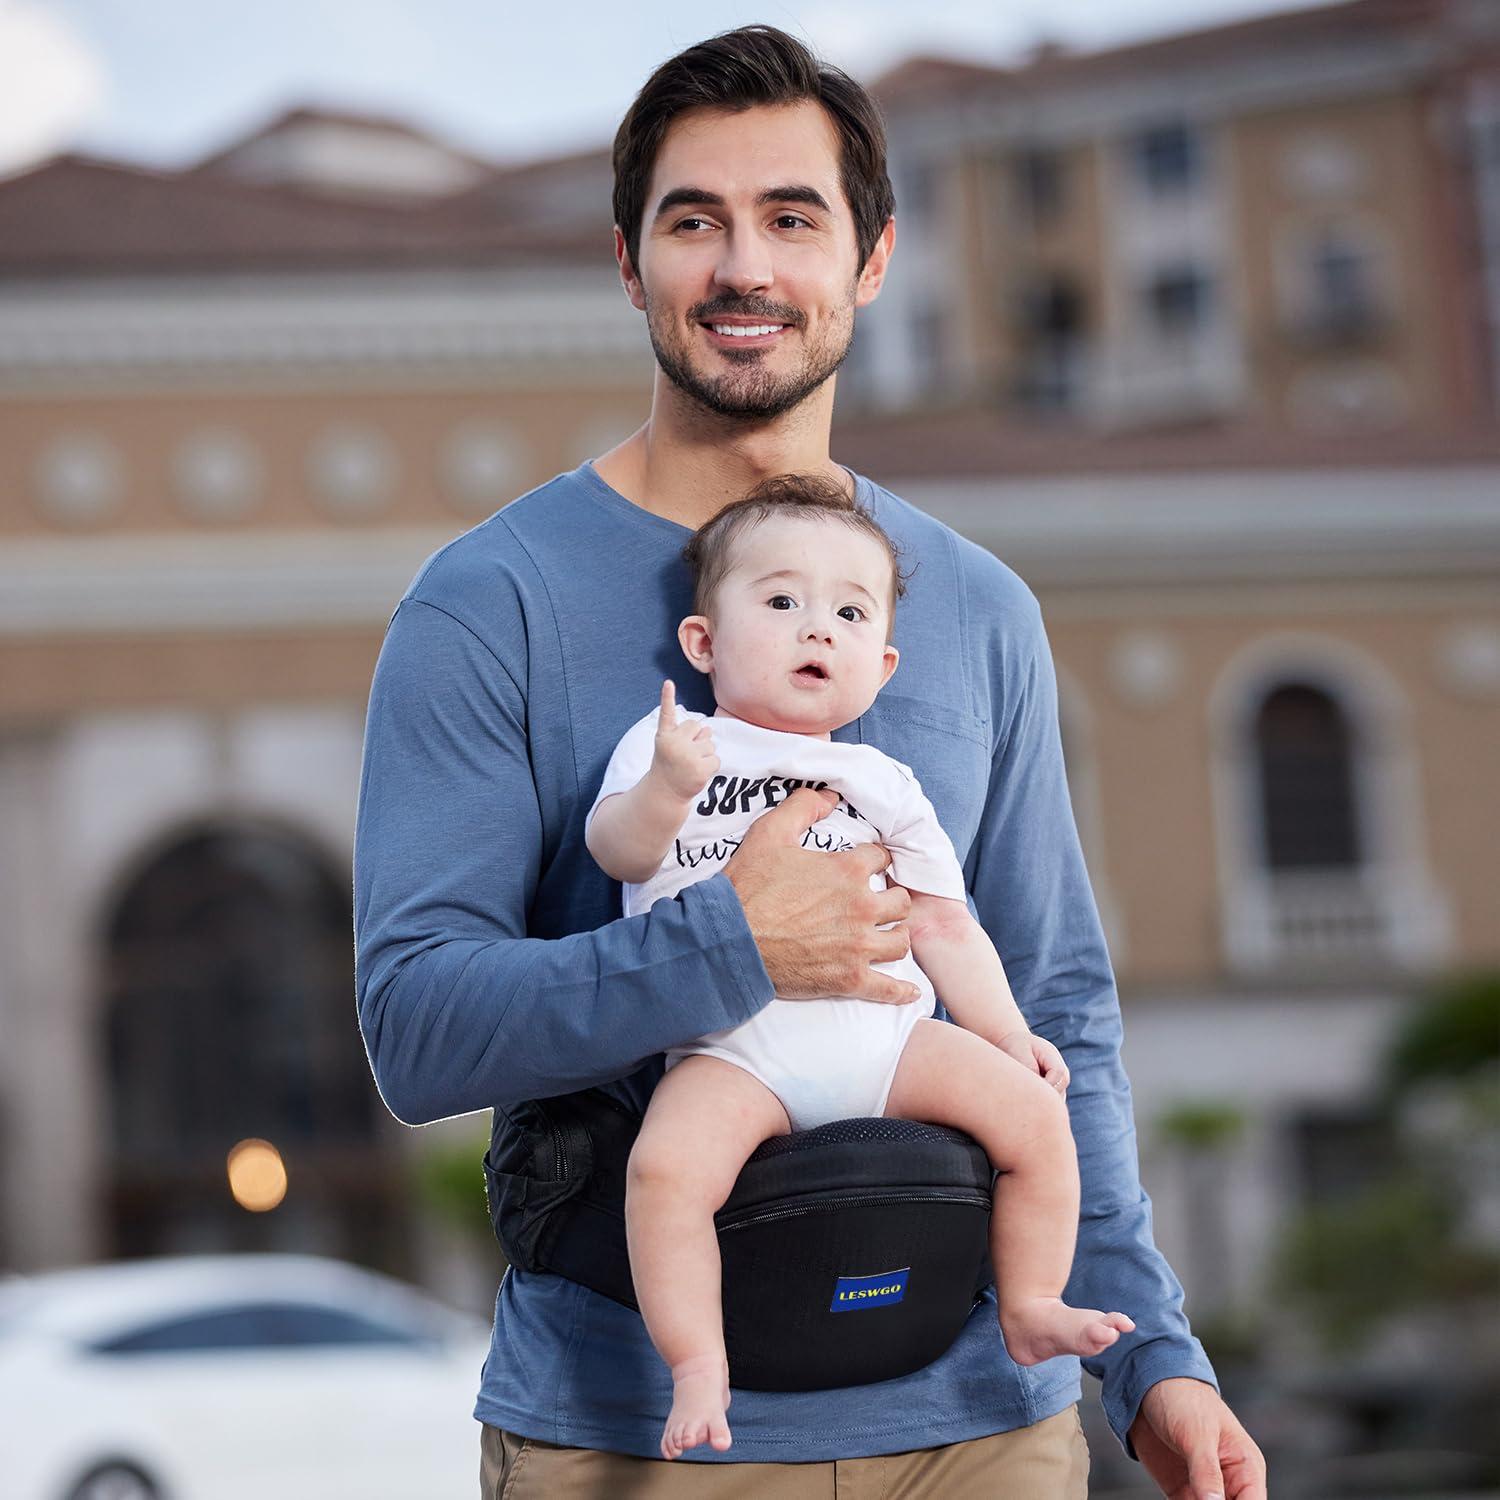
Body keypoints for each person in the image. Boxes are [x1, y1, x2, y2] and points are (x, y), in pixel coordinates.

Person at [353, 22, 1268, 1500]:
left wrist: (1152, 1353)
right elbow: (414, 1032)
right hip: (641, 1439)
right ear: (629, 261)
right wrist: (727, 946)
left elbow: (1058, 1015)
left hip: (993, 1428)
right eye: (692, 220)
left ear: (874, 257)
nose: (744, 269)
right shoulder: (491, 603)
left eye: (793, 218)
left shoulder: (972, 609)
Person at [588, 474, 1136, 1460]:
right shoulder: (675, 747)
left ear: (880, 666)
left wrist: (1010, 1037)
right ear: (704, 642)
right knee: (665, 1175)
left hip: (886, 1041)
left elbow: (945, 923)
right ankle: (698, 1362)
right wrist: (668, 790)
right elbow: (619, 854)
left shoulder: (883, 782)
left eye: (848, 612)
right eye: (782, 600)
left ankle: (1032, 1302)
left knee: (1038, 1121)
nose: (816, 630)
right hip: (734, 1052)